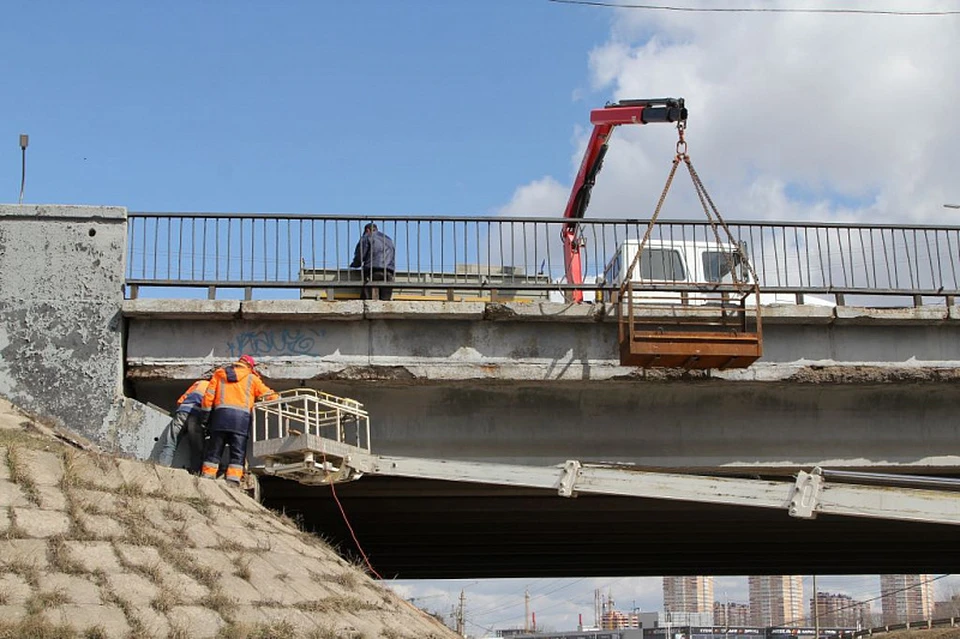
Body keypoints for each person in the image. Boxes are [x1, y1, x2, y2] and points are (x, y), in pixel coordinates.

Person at [199, 355, 278, 484]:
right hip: (241, 421)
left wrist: (205, 418)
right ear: (250, 366)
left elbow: (208, 398)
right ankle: (233, 480)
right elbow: (267, 394)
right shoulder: (252, 379)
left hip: (220, 418)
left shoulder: (219, 375)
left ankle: (207, 478)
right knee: (237, 452)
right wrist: (280, 400)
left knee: (214, 449)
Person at [157, 377, 209, 472]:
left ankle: (162, 469)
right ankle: (195, 474)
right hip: (197, 415)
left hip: (182, 411)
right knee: (196, 450)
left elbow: (180, 400)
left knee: (170, 444)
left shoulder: (199, 383)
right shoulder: (215, 388)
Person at [349, 222, 396, 300]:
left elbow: (360, 255)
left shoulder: (367, 237)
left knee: (367, 299)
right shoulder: (388, 239)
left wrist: (354, 264)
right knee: (385, 300)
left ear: (367, 230)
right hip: (389, 272)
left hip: (373, 271)